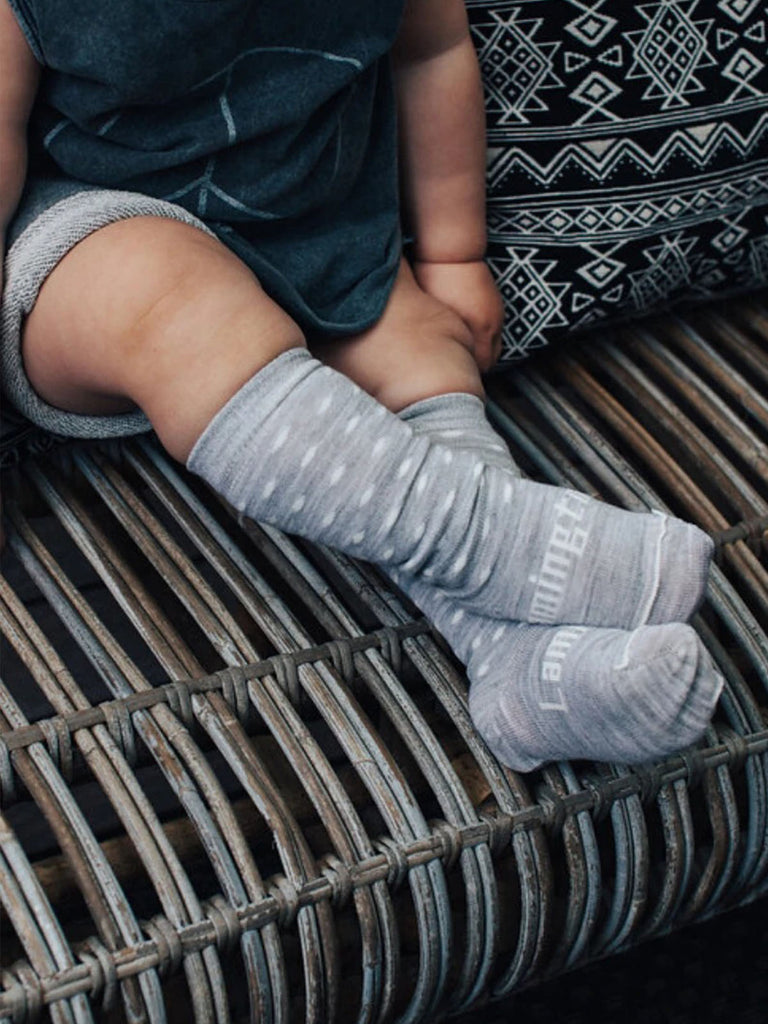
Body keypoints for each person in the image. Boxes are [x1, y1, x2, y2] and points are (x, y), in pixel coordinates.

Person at [0, 0, 723, 771]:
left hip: (318, 237)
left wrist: (453, 256)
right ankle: (497, 540)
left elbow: (432, 54)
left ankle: (522, 668)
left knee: (420, 345)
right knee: (168, 296)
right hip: (89, 245)